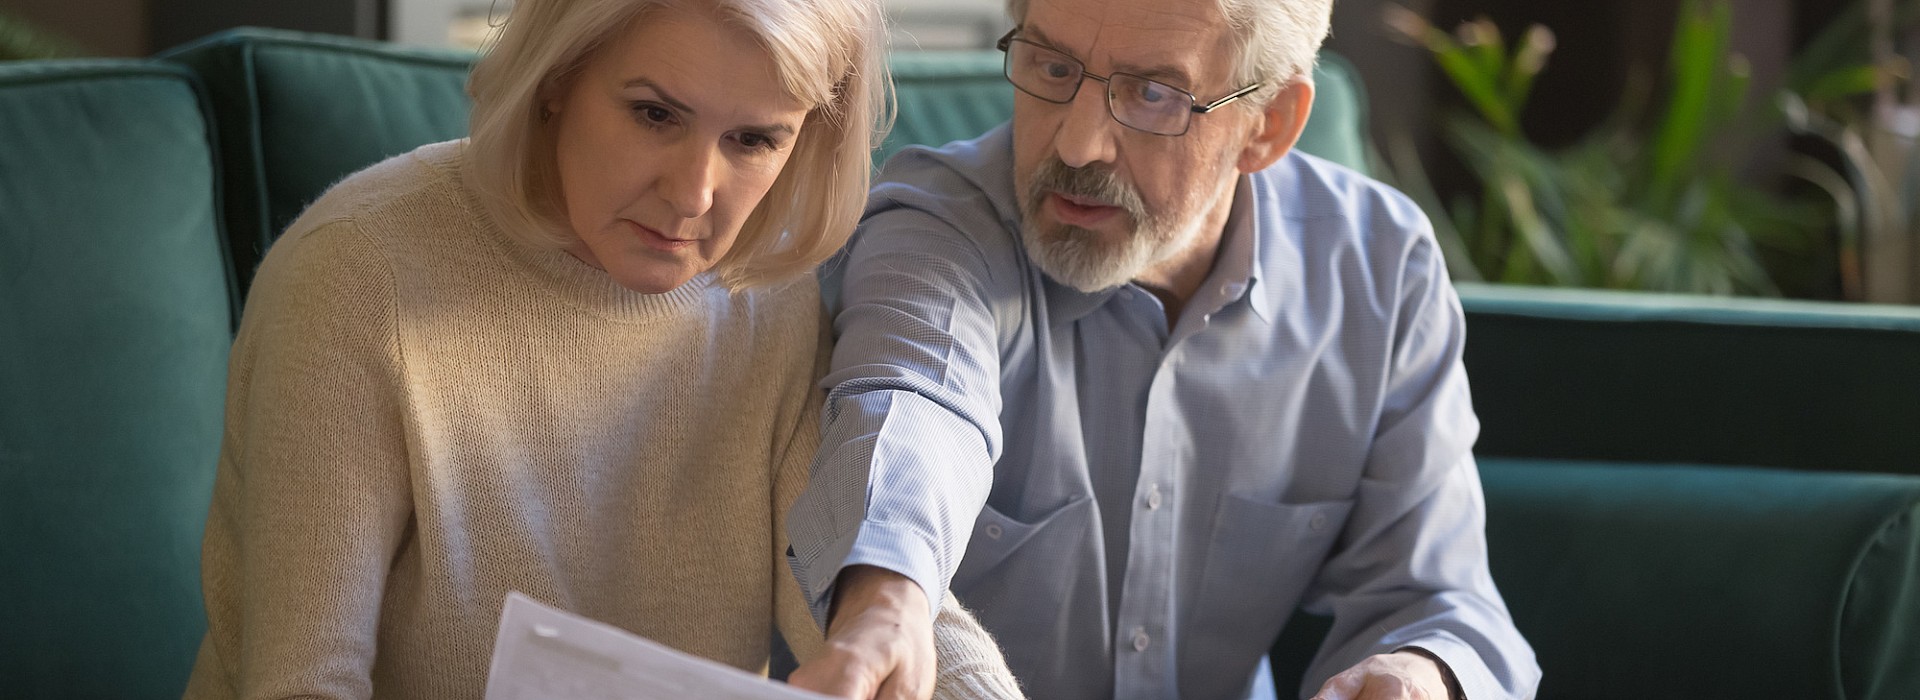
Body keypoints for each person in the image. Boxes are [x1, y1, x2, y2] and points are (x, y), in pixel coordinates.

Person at [180, 0, 1024, 698]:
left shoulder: (765, 297)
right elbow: (304, 682)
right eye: (656, 115)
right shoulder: (357, 272)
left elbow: (871, 612)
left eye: (754, 139)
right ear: (556, 81)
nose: (694, 195)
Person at [785, 0, 1543, 697]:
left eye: (1152, 94)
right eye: (1053, 67)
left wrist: (1419, 674)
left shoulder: (1382, 271)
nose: (1077, 142)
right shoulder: (934, 227)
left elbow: (1437, 596)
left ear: (1268, 123)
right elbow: (914, 402)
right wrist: (887, 599)